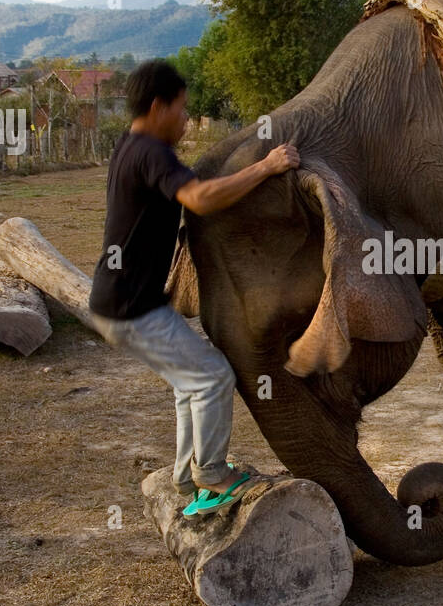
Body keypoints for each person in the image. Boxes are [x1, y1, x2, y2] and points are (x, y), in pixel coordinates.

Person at [88, 60, 299, 516]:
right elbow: (200, 199)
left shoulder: (131, 145)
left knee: (190, 383)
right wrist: (266, 167)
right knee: (213, 376)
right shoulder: (151, 152)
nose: (186, 120)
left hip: (126, 302)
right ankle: (213, 475)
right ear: (159, 106)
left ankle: (187, 477)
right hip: (131, 309)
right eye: (182, 109)